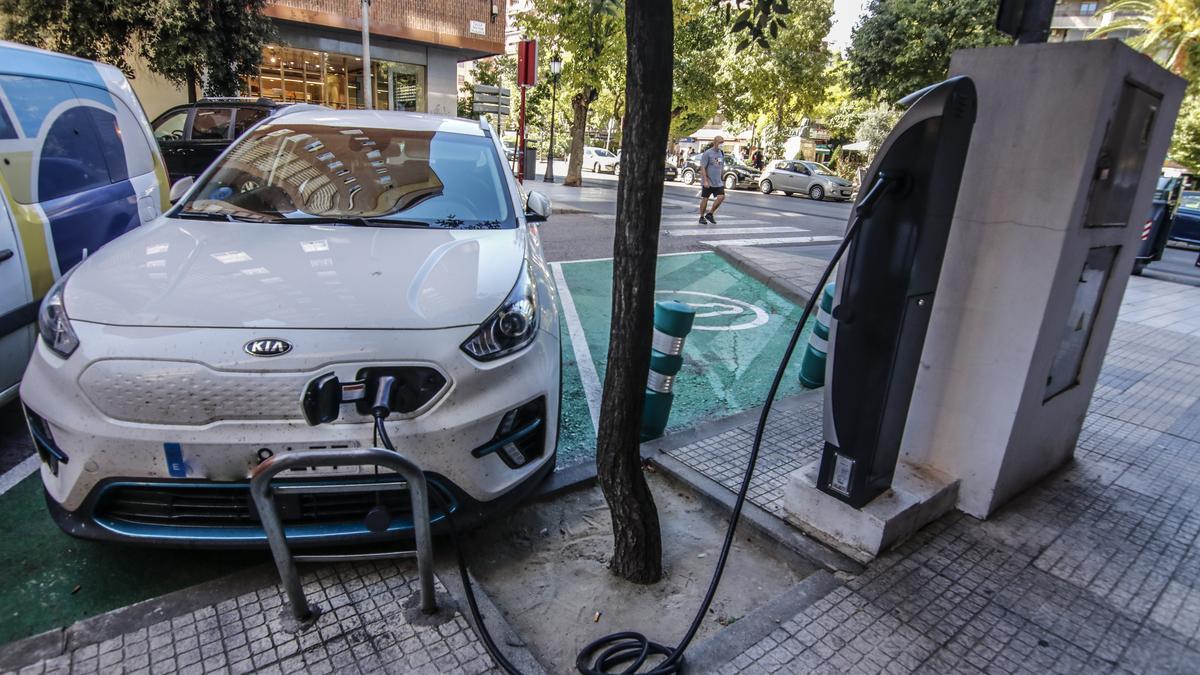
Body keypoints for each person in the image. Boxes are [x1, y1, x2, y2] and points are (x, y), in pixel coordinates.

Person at [699, 136, 726, 224]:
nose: (722, 145)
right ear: (715, 142)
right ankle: (702, 217)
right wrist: (705, 181)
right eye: (720, 143)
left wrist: (722, 178)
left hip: (718, 182)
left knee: (721, 197)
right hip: (708, 181)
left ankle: (710, 213)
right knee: (705, 199)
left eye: (723, 143)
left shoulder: (721, 153)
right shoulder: (708, 153)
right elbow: (703, 167)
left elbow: (720, 165)